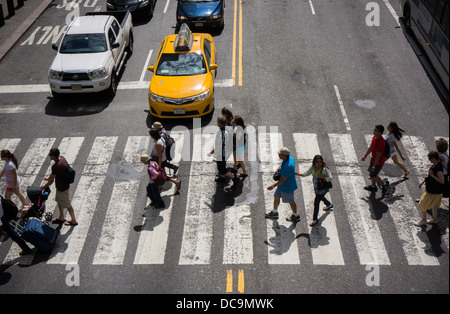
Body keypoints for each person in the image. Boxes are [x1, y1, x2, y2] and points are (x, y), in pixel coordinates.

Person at [40, 148, 78, 226]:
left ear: (53, 156)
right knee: (59, 201)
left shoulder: (56, 166)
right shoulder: (62, 158)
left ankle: (73, 220)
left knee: (68, 205)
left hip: (62, 188)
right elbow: (53, 175)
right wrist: (48, 178)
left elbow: (51, 181)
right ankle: (61, 217)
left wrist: (44, 186)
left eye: (50, 155)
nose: (49, 156)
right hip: (61, 187)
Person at [296, 155, 333, 226]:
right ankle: (329, 204)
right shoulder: (313, 167)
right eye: (317, 162)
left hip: (323, 188)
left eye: (320, 162)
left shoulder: (324, 169)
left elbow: (330, 177)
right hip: (317, 188)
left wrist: (323, 177)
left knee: (316, 203)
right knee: (320, 197)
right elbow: (306, 173)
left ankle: (314, 219)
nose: (319, 163)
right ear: (314, 162)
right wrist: (297, 173)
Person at [265, 147, 300, 223]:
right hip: (282, 186)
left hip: (287, 187)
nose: (278, 155)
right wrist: (277, 170)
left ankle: (296, 215)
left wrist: (273, 186)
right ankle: (274, 212)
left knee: (291, 201)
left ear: (284, 155)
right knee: (276, 196)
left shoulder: (288, 166)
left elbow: (283, 179)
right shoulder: (288, 158)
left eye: (280, 154)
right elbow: (281, 166)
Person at [415, 151, 445, 225]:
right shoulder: (435, 164)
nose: (429, 160)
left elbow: (442, 181)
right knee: (434, 205)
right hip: (433, 189)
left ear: (434, 158)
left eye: (429, 158)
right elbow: (430, 176)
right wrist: (422, 182)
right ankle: (434, 219)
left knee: (422, 203)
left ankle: (423, 220)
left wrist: (433, 176)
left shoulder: (438, 168)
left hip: (433, 190)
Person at [361, 124, 389, 193]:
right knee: (373, 175)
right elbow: (371, 148)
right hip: (373, 159)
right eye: (374, 130)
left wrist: (374, 165)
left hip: (378, 162)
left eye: (375, 131)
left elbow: (378, 156)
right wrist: (365, 155)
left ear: (380, 132)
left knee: (372, 176)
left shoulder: (381, 142)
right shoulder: (374, 137)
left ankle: (384, 184)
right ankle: (373, 187)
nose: (374, 131)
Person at [209, 116, 236, 183]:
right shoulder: (228, 129)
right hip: (228, 151)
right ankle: (222, 177)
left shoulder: (221, 133)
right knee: (223, 165)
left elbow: (219, 145)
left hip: (222, 153)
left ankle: (234, 178)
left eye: (217, 122)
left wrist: (213, 151)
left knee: (221, 169)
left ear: (219, 124)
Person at [435, 137, 449, 206]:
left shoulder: (440, 156)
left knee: (432, 187)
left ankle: (426, 200)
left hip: (440, 174)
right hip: (446, 173)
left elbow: (438, 164)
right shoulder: (447, 153)